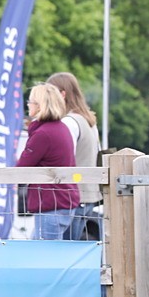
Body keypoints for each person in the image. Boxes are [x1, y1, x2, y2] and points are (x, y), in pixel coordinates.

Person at [17, 83, 79, 239]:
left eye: (30, 101)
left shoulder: (43, 134)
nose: (28, 105)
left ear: (39, 106)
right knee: (41, 251)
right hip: (62, 200)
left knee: (45, 256)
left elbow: (21, 168)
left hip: (52, 204)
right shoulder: (60, 128)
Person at [46, 72, 102, 240]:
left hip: (72, 196)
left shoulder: (69, 123)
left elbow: (62, 158)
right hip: (87, 194)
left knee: (60, 251)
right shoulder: (88, 120)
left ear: (62, 94)